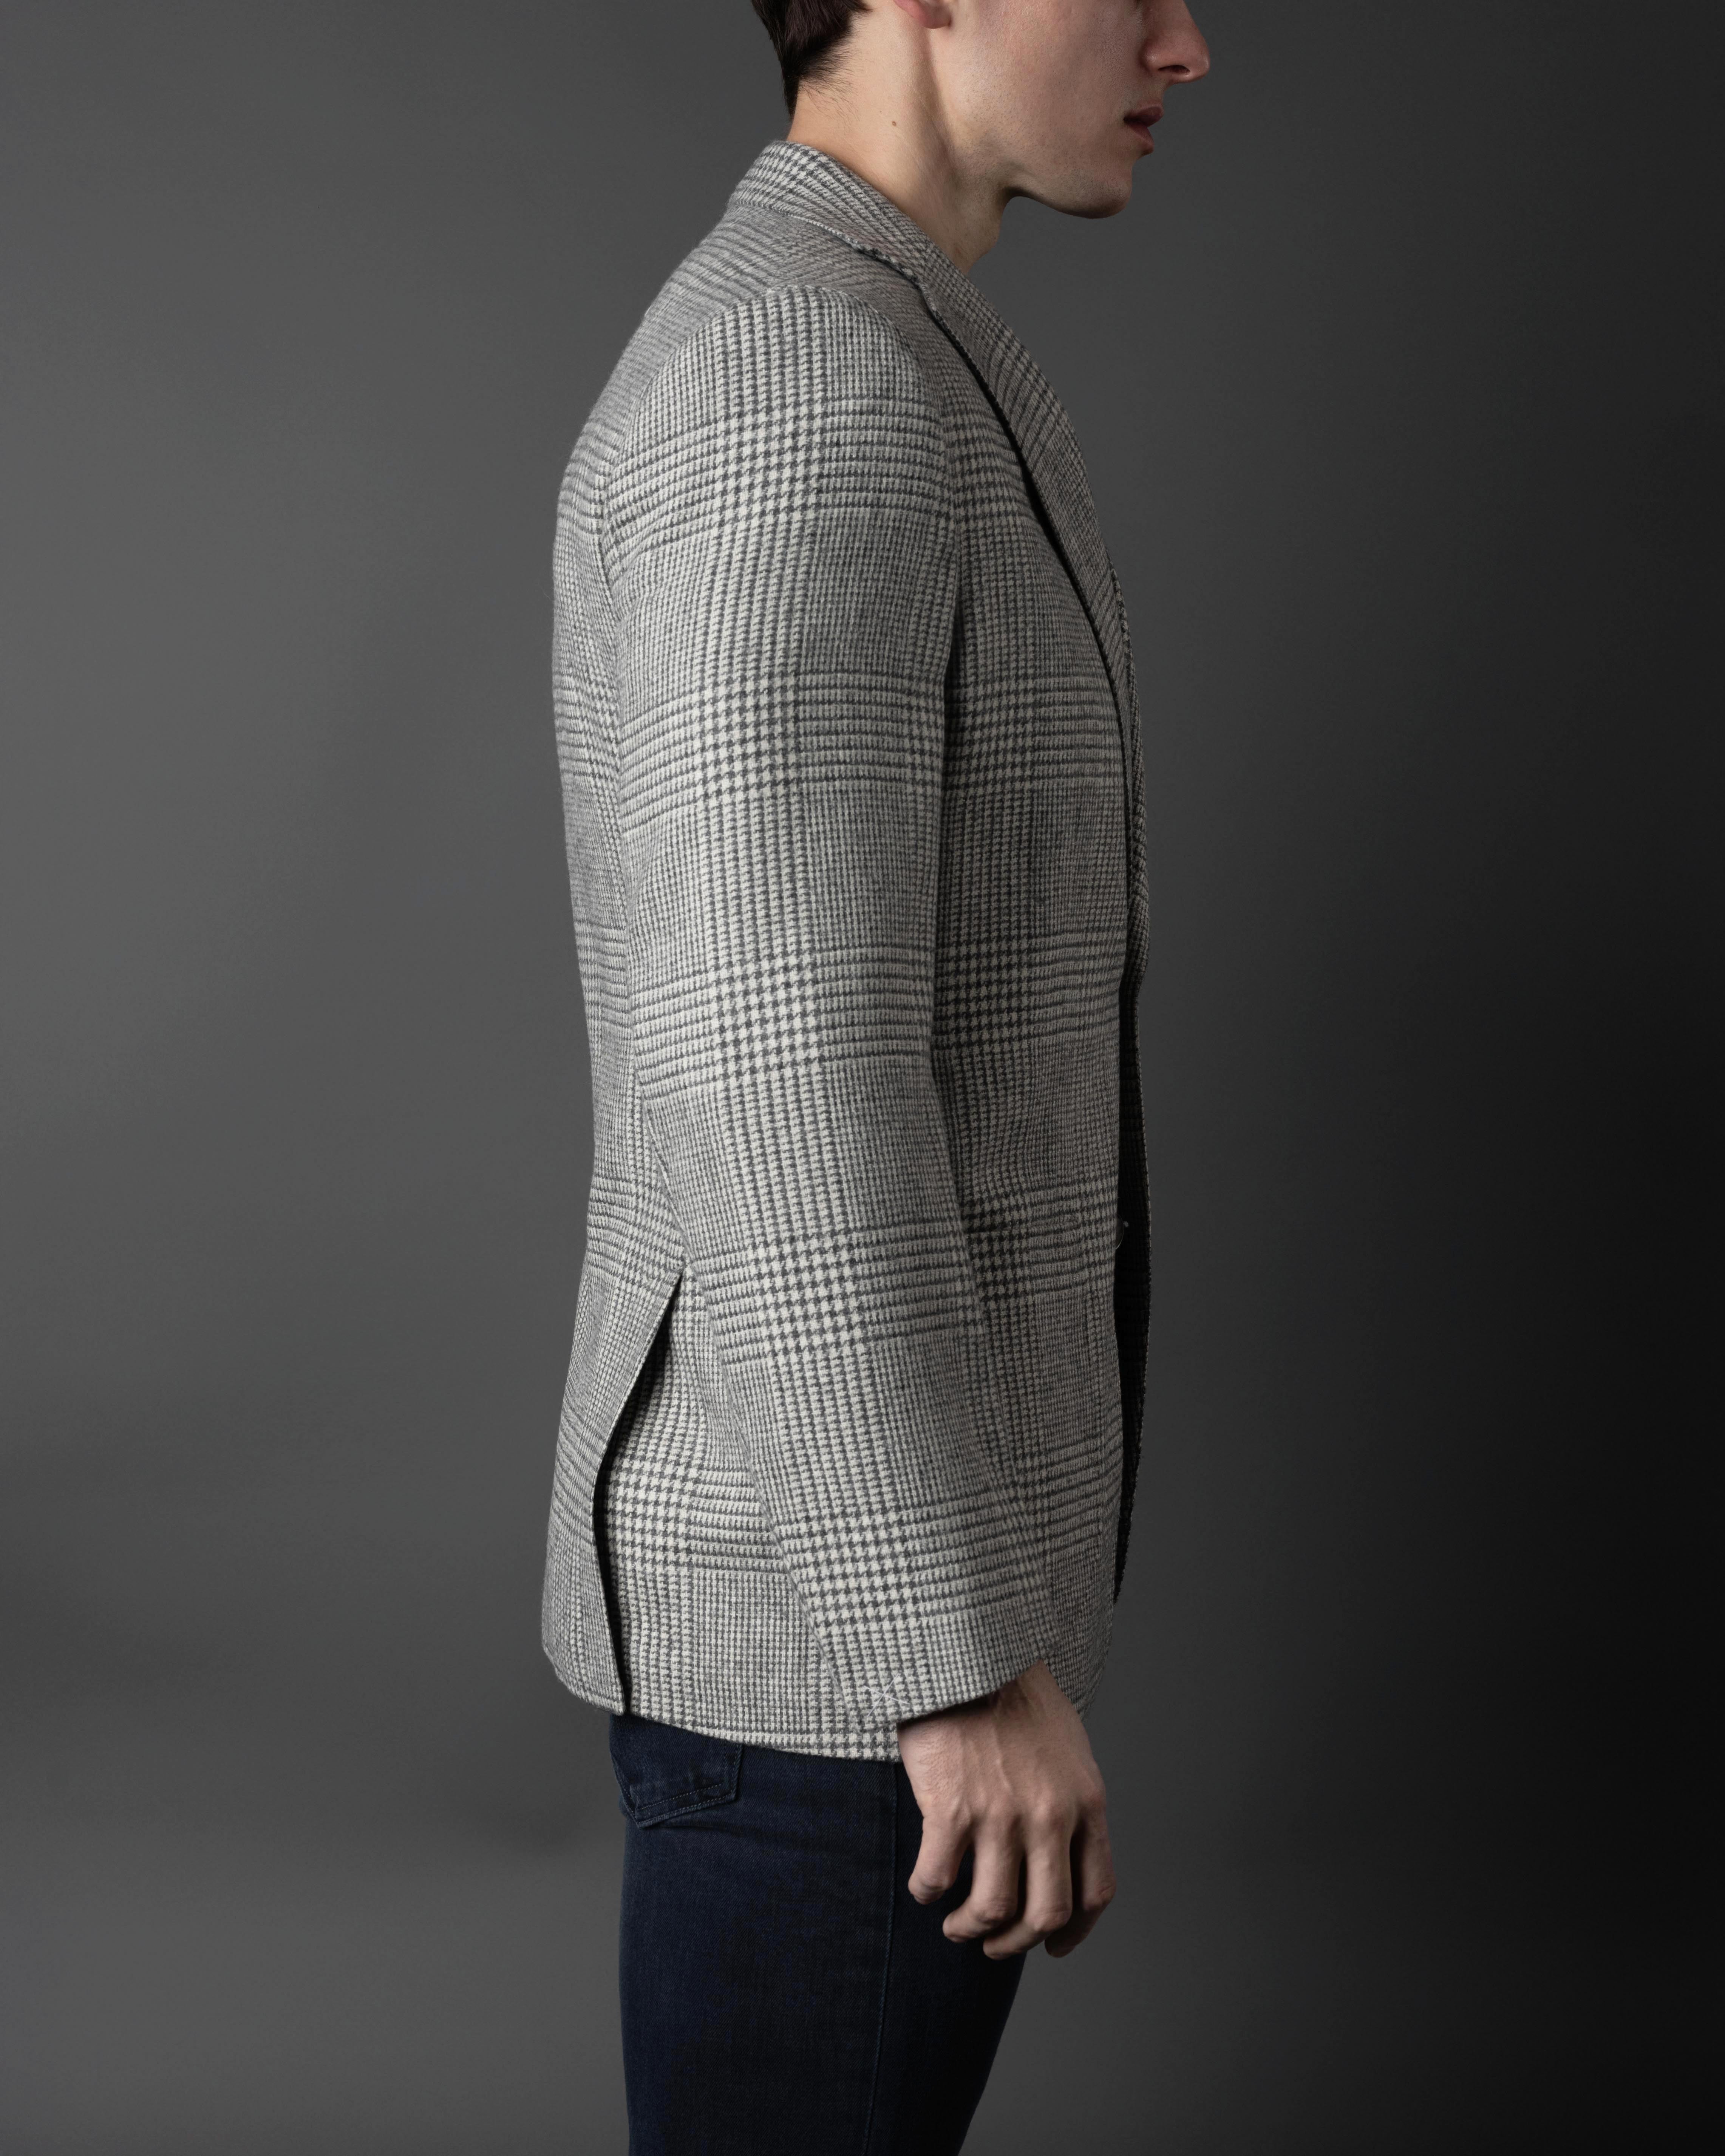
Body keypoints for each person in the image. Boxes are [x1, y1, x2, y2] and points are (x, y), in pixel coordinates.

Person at [541, 2, 1208, 2147]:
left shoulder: (875, 332)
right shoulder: (801, 373)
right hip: (836, 1658)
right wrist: (949, 1657)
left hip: (849, 1625)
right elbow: (773, 1062)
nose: (1186, 45)